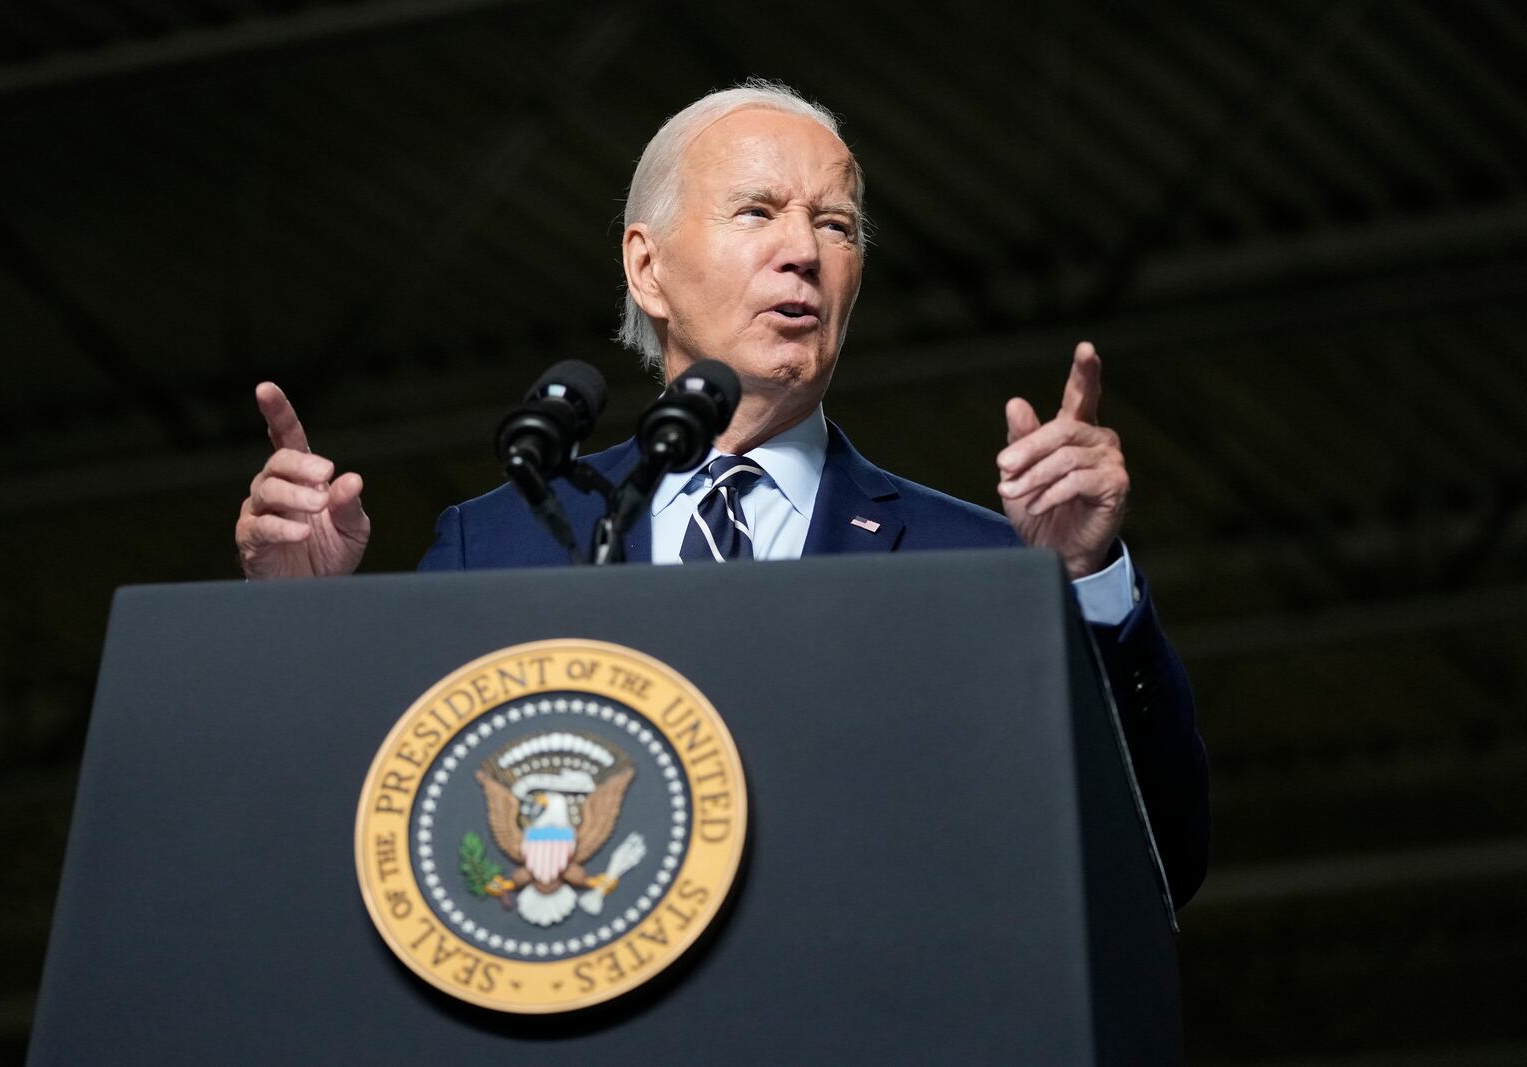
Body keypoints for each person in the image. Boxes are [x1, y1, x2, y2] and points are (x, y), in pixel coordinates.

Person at [234, 81, 1208, 907]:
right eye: (758, 212)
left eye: (834, 224)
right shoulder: (494, 545)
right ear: (645, 265)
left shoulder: (982, 561)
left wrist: (1086, 579)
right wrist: (297, 626)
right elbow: (364, 855)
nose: (805, 253)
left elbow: (1156, 857)